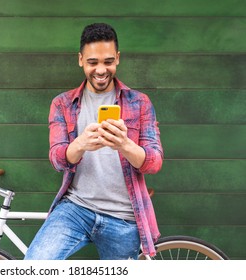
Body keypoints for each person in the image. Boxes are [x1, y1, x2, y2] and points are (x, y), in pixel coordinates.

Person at [25, 23, 163, 260]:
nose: (101, 70)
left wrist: (125, 144)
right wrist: (80, 144)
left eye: (108, 61)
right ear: (80, 60)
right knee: (34, 266)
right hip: (75, 209)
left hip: (124, 218)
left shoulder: (140, 103)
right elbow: (58, 160)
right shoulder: (62, 104)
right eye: (93, 62)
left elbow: (154, 162)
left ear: (118, 58)